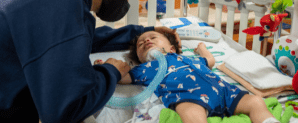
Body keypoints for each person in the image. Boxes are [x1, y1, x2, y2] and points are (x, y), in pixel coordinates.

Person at [0, 0, 181, 123]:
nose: (126, 2)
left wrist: (144, 32)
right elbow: (66, 110)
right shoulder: (63, 6)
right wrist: (110, 71)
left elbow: (86, 37)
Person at [94, 30, 281, 123]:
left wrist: (203, 50)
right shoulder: (147, 68)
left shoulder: (189, 58)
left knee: (256, 101)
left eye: (152, 37)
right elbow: (122, 78)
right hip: (188, 97)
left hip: (225, 91)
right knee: (192, 117)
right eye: (141, 44)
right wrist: (109, 68)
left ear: (172, 48)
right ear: (140, 59)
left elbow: (210, 62)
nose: (146, 41)